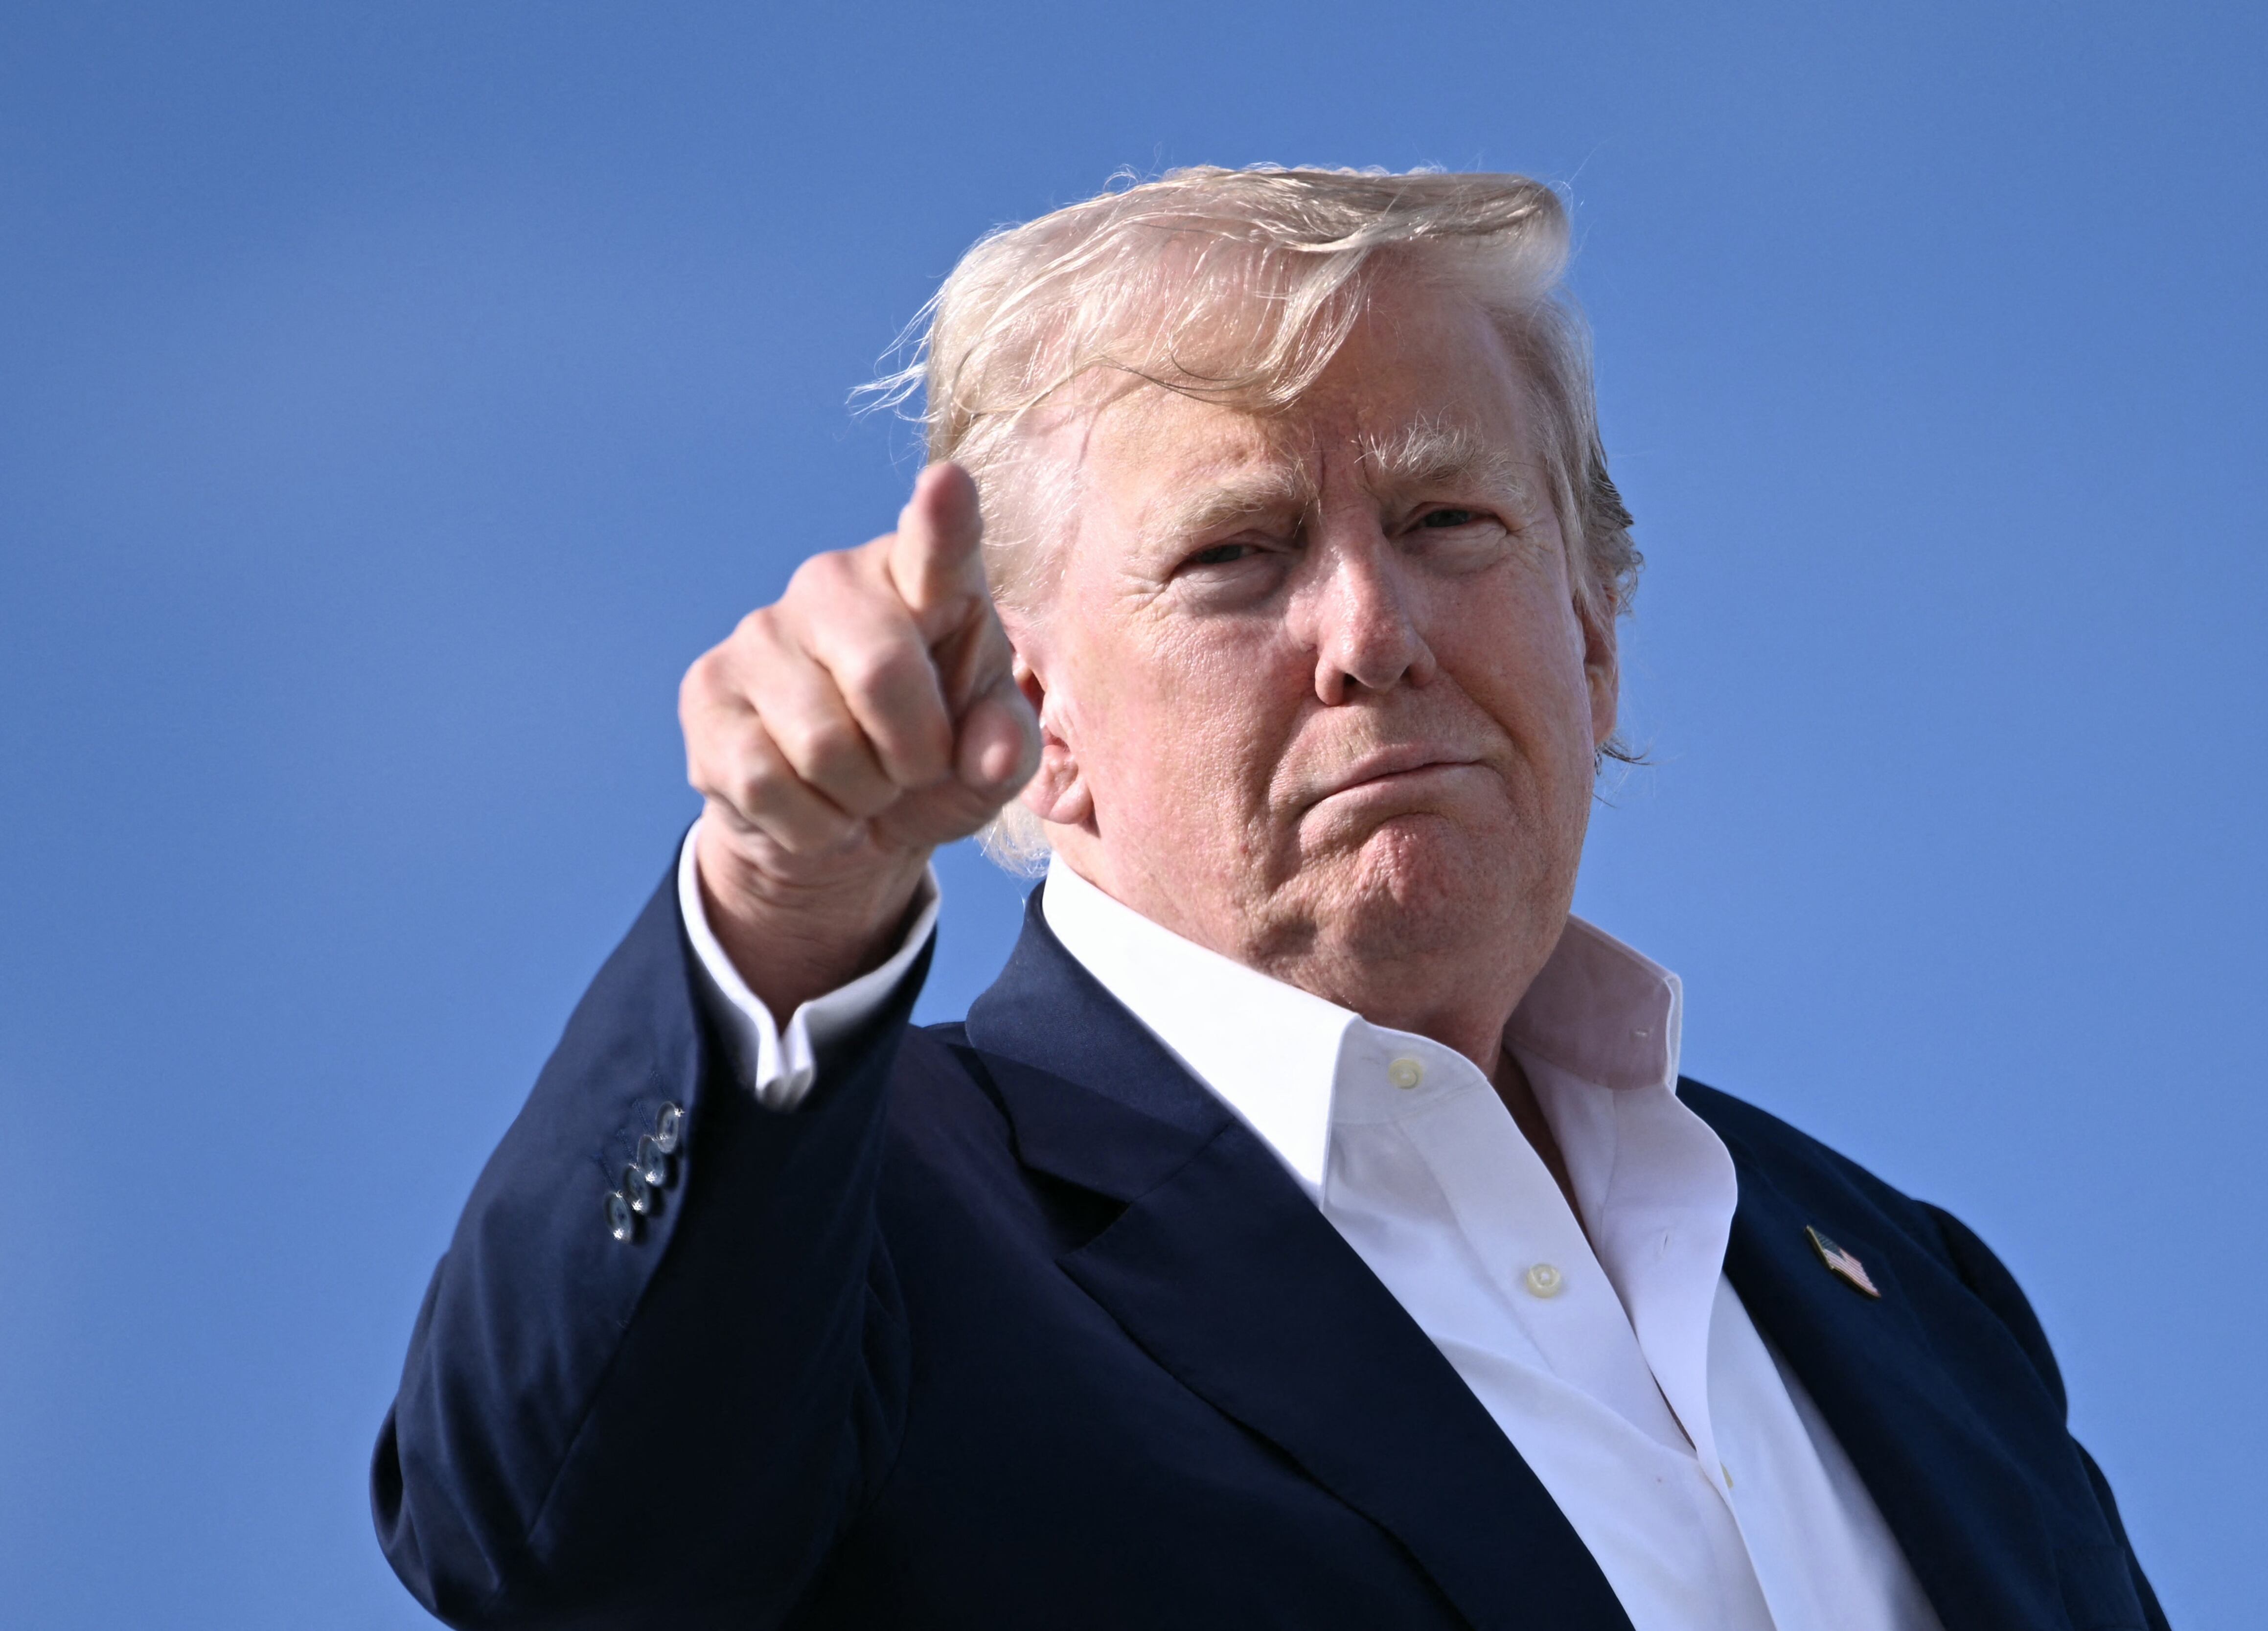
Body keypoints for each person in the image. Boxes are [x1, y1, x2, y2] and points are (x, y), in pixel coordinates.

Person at [373, 166, 2167, 1631]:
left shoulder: (1905, 1285)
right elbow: (554, 1542)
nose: (1373, 636)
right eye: (1237, 558)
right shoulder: (874, 1226)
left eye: (1453, 523)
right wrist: (779, 895)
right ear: (1035, 719)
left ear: (1598, 641)